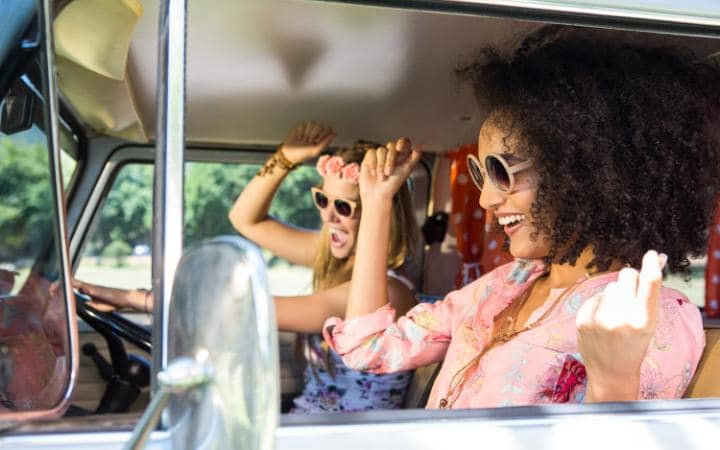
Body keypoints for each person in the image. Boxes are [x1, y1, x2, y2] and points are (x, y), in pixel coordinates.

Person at [323, 26, 720, 408]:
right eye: (480, 173)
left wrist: (612, 382)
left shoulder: (656, 316)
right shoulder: (505, 284)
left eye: (501, 171)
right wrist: (376, 202)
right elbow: (369, 348)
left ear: (581, 173)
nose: (485, 200)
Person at [74, 122, 420, 413]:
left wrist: (134, 297)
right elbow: (245, 219)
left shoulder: (387, 291)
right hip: (311, 426)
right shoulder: (336, 253)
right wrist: (285, 159)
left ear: (379, 209)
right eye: (322, 199)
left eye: (344, 206)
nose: (328, 215)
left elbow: (245, 307)